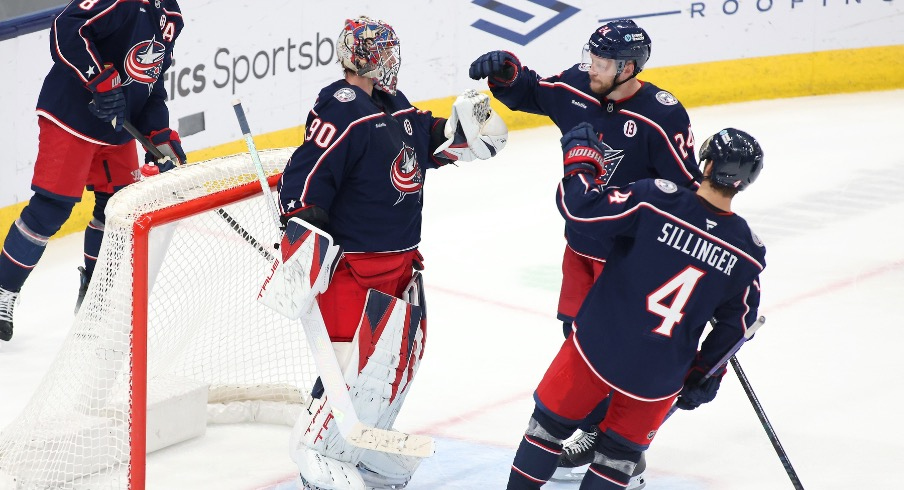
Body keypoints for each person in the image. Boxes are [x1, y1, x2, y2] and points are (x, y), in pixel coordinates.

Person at [276, 16, 508, 490]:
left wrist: (459, 132)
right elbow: (305, 174)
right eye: (381, 53)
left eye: (392, 52)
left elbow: (422, 142)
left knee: (388, 368)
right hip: (353, 268)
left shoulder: (392, 101)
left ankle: (360, 445)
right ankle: (316, 456)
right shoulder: (341, 106)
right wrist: (304, 224)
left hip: (400, 261)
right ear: (359, 57)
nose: (391, 61)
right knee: (348, 367)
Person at [469, 19, 702, 483]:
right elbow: (534, 91)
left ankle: (622, 445)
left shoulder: (663, 115)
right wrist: (507, 73)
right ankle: (596, 429)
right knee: (578, 339)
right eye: (591, 56)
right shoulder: (578, 86)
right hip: (581, 248)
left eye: (602, 61)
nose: (590, 66)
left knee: (624, 352)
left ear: (629, 67)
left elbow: (688, 193)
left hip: (628, 263)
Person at [506, 123, 765, 489]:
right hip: (658, 377)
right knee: (618, 458)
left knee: (546, 430)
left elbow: (581, 211)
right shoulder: (746, 252)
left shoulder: (657, 199)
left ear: (706, 165)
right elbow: (738, 325)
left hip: (596, 347)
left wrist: (581, 163)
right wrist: (705, 373)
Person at [0, 0, 186, 342]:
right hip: (70, 116)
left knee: (116, 212)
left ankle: (94, 298)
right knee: (51, 210)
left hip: (116, 129)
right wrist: (98, 79)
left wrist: (158, 132)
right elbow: (66, 27)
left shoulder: (170, 16)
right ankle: (3, 289)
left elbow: (151, 86)